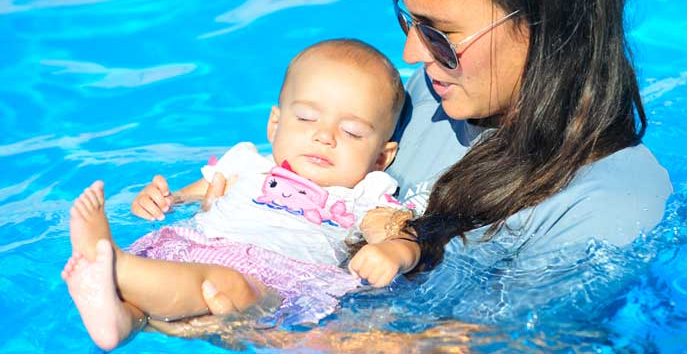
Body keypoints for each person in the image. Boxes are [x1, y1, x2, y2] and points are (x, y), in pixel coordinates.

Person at [199, 0, 673, 319]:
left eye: (442, 33)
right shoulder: (434, 95)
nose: (412, 53)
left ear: (548, 25)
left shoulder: (609, 204)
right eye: (410, 20)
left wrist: (253, 320)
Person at [61, 38, 421, 351]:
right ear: (274, 125)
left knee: (224, 283)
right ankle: (121, 321)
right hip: (201, 249)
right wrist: (163, 200)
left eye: (352, 132)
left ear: (380, 157)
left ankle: (112, 266)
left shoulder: (366, 193)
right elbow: (189, 195)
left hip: (275, 285)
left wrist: (394, 250)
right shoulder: (247, 163)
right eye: (307, 119)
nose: (324, 136)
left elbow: (392, 229)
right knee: (179, 279)